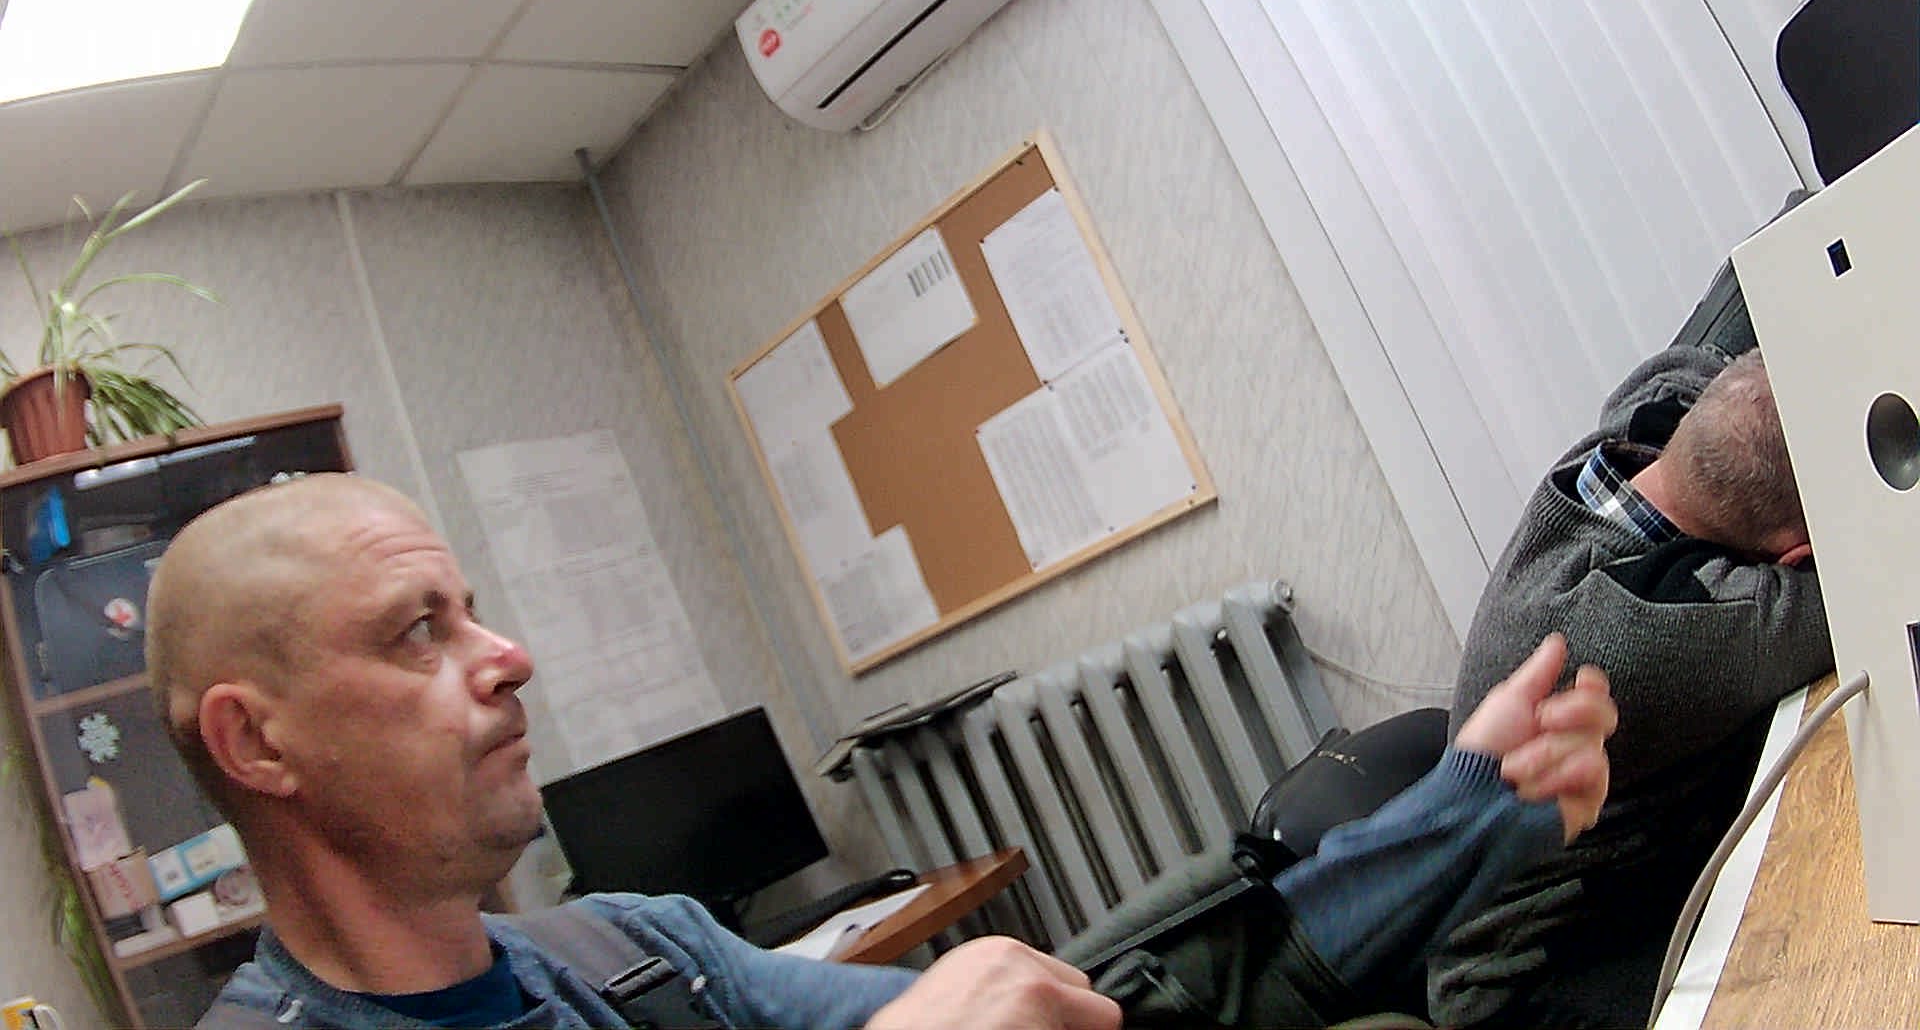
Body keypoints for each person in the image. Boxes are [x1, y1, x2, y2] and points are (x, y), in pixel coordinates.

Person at [146, 474, 1616, 1029]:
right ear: (255, 742)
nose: (508, 654)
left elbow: (1059, 1019)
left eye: (475, 609)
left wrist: (1463, 805)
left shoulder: (632, 953)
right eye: (419, 631)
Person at [1435, 345, 1833, 1026]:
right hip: (1528, 983)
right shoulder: (1656, 630)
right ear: (1794, 554)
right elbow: (1862, 589)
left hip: (1617, 875)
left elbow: (1714, 347)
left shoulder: (1647, 430)